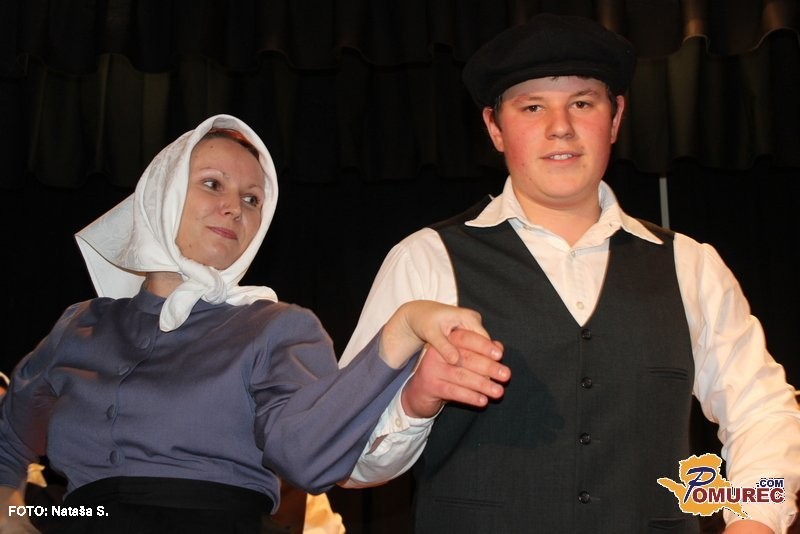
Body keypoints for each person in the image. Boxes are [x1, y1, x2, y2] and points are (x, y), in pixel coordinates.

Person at [338, 13, 800, 534]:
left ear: (615, 117)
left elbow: (764, 411)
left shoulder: (691, 265)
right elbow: (347, 462)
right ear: (494, 127)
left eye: (582, 103)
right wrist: (415, 402)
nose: (560, 126)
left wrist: (755, 520)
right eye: (532, 107)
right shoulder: (425, 259)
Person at [0, 114, 503, 533]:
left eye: (251, 199)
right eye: (212, 184)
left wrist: (401, 330)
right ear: (159, 195)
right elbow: (11, 436)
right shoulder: (82, 325)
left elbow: (307, 458)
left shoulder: (276, 327)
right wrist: (15, 511)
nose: (233, 209)